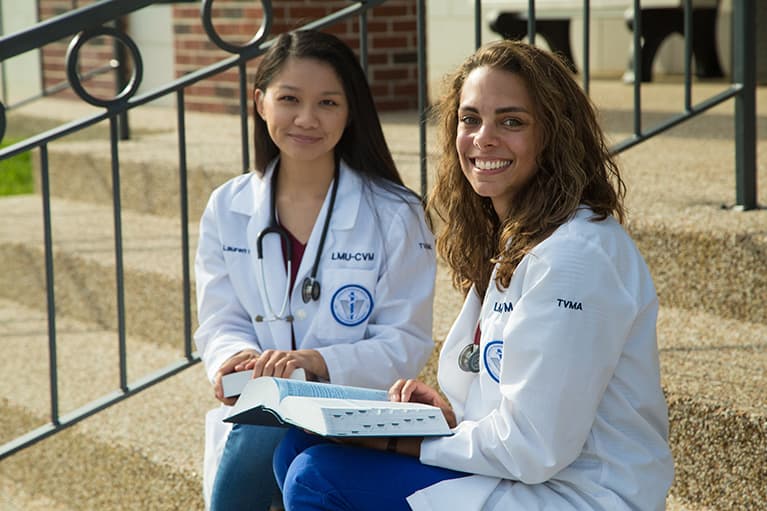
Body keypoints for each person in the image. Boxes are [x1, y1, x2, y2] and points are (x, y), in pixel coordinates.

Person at [272, 39, 674, 510]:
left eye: (512, 121)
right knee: (295, 449)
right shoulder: (516, 237)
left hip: (580, 494)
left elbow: (533, 447)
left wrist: (395, 442)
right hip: (520, 476)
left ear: (554, 134)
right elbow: (505, 403)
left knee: (318, 477)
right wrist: (444, 420)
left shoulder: (575, 258)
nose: (484, 138)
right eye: (470, 119)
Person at [194, 30, 436, 511]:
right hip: (257, 410)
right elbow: (220, 319)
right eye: (289, 99)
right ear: (260, 102)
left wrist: (316, 363)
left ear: (351, 112)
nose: (307, 119)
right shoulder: (229, 206)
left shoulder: (396, 213)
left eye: (328, 102)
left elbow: (405, 342)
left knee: (274, 423)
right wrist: (236, 359)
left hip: (350, 411)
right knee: (265, 413)